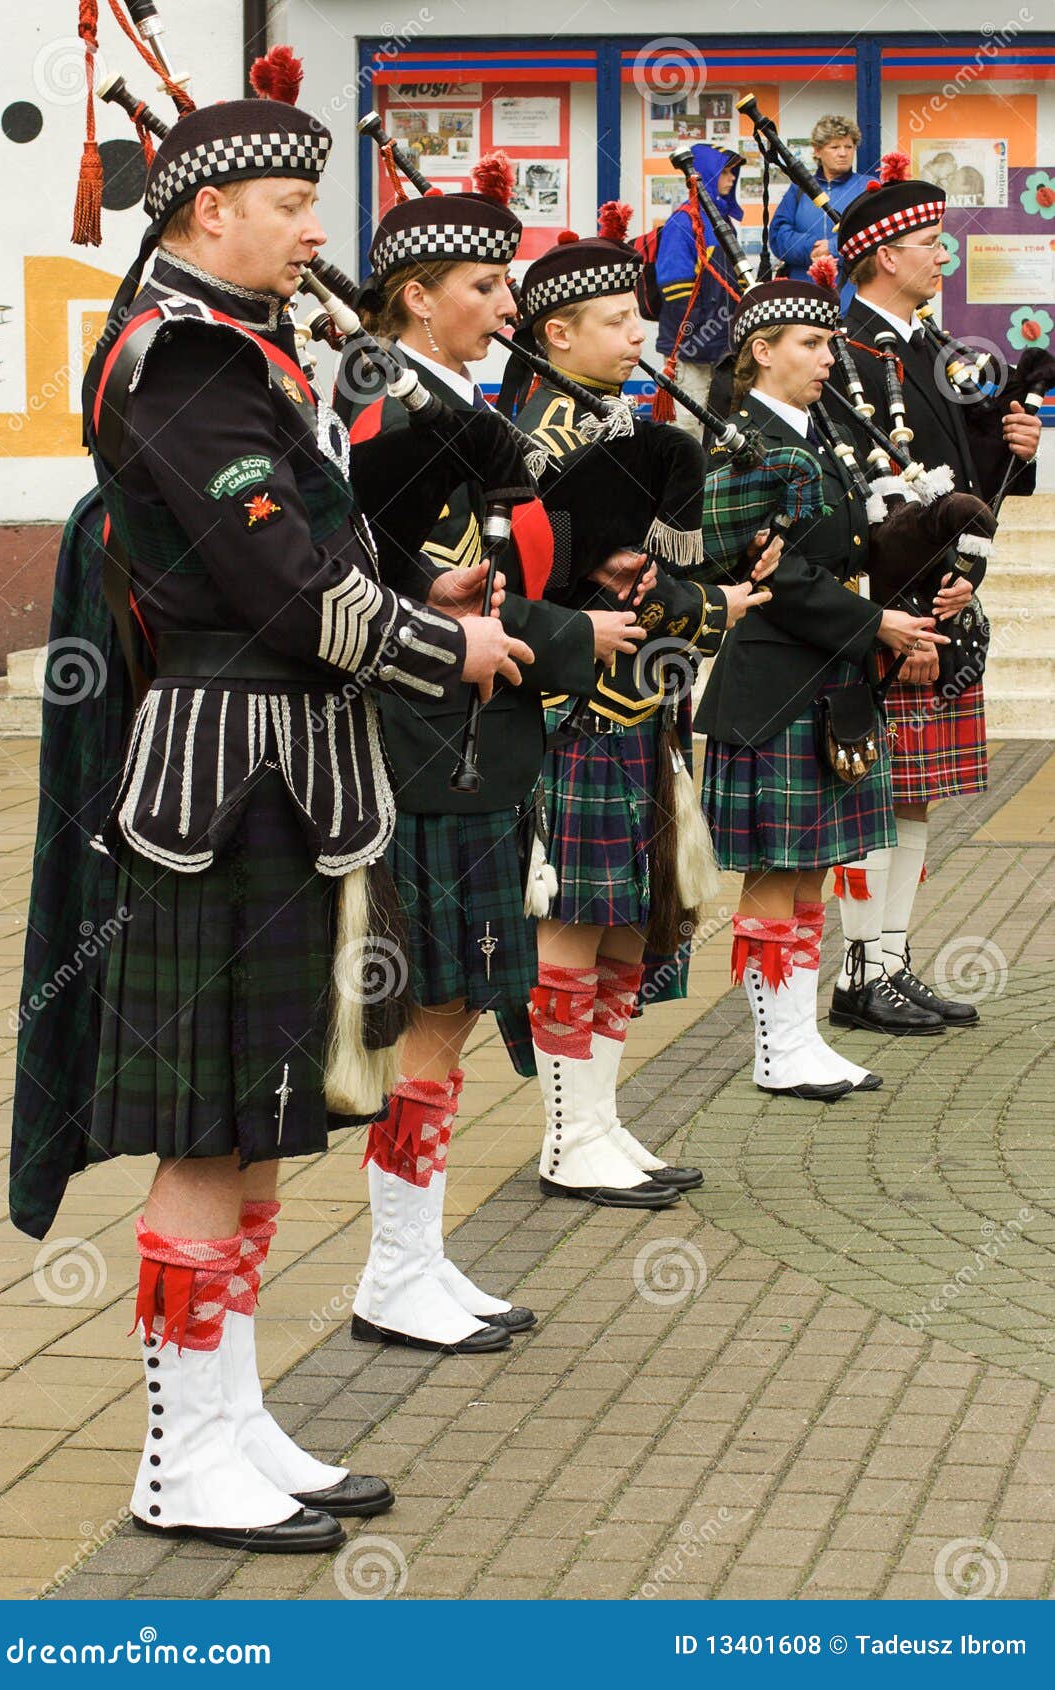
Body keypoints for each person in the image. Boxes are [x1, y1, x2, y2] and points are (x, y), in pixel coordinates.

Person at [14, 93, 532, 1553]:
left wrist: (416, 590)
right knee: (204, 1127)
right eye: (293, 204)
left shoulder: (235, 351)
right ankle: (178, 1459)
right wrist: (444, 648)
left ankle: (234, 1418)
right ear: (208, 211)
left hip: (286, 777)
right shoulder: (182, 359)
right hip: (222, 787)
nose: (317, 231)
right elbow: (285, 593)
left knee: (253, 1120)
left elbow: (308, 552)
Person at [336, 163, 650, 1342]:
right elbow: (390, 593)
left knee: (455, 1005)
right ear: (418, 297)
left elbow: (468, 572)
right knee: (430, 1009)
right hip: (430, 738)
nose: (507, 304)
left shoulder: (441, 397)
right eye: (484, 284)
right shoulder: (386, 410)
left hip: (476, 739)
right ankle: (394, 1269)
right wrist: (571, 636)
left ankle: (416, 1256)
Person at [510, 210, 777, 1204]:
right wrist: (717, 607)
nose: (641, 336)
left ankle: (600, 1119)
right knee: (575, 926)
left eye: (639, 318)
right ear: (557, 333)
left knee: (627, 925)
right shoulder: (537, 440)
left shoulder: (618, 424)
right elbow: (574, 587)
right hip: (575, 712)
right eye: (618, 321)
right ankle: (565, 1136)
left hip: (637, 710)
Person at [697, 278, 949, 1098]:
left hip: (825, 678)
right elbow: (767, 572)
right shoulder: (742, 441)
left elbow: (845, 548)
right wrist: (875, 624)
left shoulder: (819, 434)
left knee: (811, 871)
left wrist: (932, 537)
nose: (827, 358)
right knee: (777, 873)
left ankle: (800, 1039)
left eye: (829, 344)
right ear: (762, 351)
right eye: (810, 343)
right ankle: (777, 1051)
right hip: (773, 683)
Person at [828, 163, 1041, 1035]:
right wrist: (905, 608)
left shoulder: (934, 349)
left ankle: (890, 960)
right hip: (891, 605)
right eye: (927, 243)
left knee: (912, 797)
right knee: (872, 795)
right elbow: (862, 496)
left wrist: (1014, 446)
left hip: (945, 596)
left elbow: (964, 479)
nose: (942, 255)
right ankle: (857, 973)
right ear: (882, 256)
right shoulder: (841, 351)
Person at [655, 143, 745, 433]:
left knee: (718, 426)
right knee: (688, 426)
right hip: (692, 349)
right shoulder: (683, 221)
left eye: (733, 172)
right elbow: (674, 287)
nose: (732, 178)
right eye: (726, 171)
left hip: (721, 347)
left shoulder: (722, 221)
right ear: (708, 173)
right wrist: (696, 338)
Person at [769, 115, 869, 297]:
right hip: (803, 294)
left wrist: (833, 248)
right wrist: (811, 248)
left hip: (853, 294)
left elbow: (877, 236)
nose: (843, 153)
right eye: (835, 147)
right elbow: (778, 236)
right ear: (817, 151)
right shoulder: (799, 189)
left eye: (849, 147)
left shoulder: (867, 187)